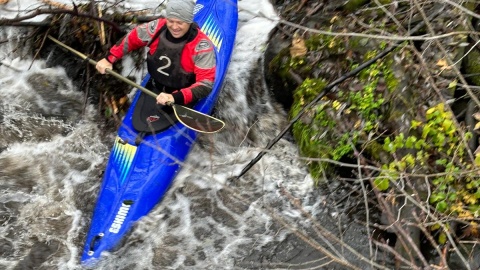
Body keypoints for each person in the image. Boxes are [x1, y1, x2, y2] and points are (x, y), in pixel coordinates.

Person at [95, 0, 216, 107]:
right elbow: (132, 38)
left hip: (183, 95)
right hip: (155, 87)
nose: (174, 27)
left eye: (180, 22)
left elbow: (205, 85)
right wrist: (110, 58)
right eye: (170, 21)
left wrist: (174, 97)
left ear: (189, 22)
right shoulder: (157, 27)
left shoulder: (202, 47)